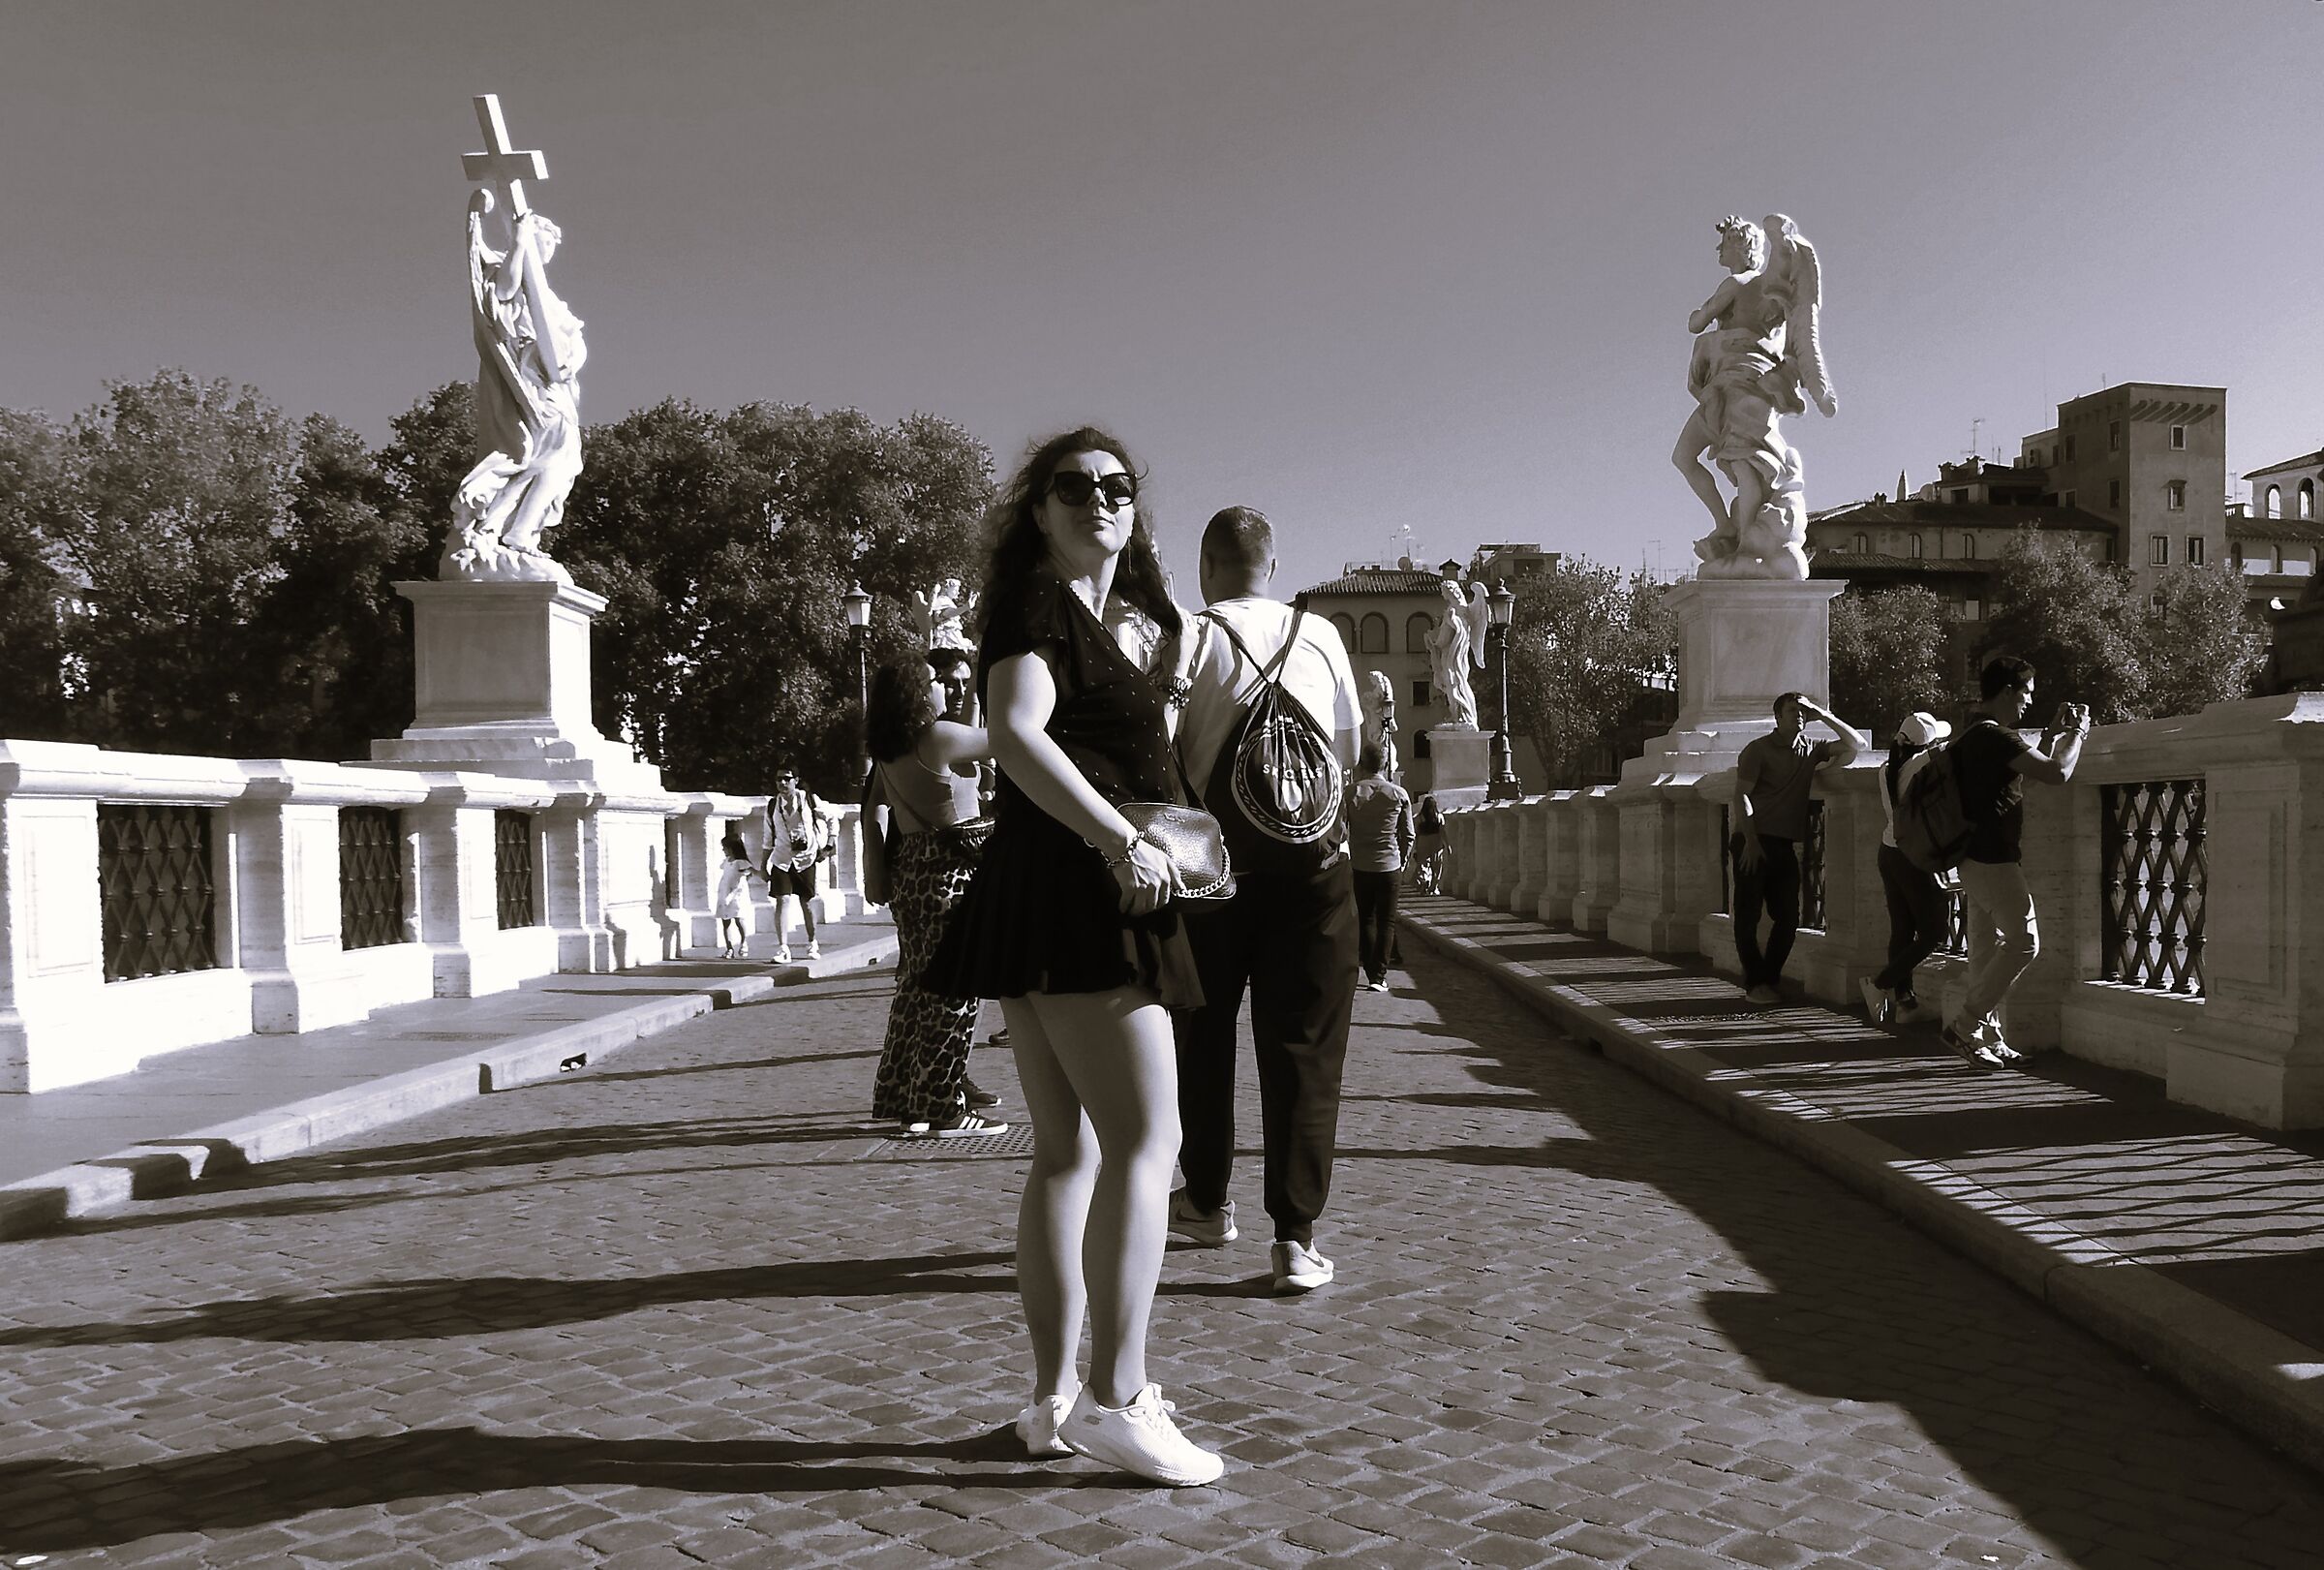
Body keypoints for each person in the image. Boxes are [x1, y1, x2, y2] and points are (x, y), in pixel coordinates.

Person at [924, 428, 1225, 1488]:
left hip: (1046, 893)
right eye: (1074, 486)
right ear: (1038, 510)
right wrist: (1123, 839)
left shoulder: (1104, 619)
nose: (1098, 499)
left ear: (1134, 510)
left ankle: (1050, 1398)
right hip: (1089, 894)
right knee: (1152, 1138)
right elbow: (1013, 730)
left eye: (1117, 487)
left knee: (1066, 1152)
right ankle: (1118, 1396)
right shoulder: (1042, 603)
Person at [1168, 506, 1364, 1296]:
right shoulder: (1319, 635)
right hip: (1313, 872)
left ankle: (1208, 1201)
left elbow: (1167, 751)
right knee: (1306, 1049)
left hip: (1214, 869)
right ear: (1273, 569)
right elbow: (1350, 749)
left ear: (1207, 568)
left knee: (1202, 1037)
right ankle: (1295, 1238)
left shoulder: (1188, 633)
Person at [865, 662, 1006, 1137]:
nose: (944, 687)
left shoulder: (890, 749)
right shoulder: (939, 738)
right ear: (917, 694)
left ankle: (907, 1096)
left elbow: (874, 814)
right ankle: (944, 1106)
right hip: (953, 871)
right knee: (956, 994)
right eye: (935, 682)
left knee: (916, 990)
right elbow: (1011, 737)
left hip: (912, 871)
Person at [1943, 656, 2092, 1068]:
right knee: (2025, 942)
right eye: (2026, 693)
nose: (2028, 701)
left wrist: (2048, 736)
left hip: (1970, 855)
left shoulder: (1974, 734)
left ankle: (1986, 1034)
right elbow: (2058, 773)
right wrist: (2077, 733)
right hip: (1993, 857)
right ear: (2008, 690)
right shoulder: (1995, 738)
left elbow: (2013, 778)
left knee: (1985, 949)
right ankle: (1967, 1023)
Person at [1732, 692, 1868, 1004]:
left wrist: (1822, 713)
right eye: (1793, 710)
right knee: (1747, 916)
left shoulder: (1810, 750)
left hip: (1783, 845)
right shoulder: (1758, 750)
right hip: (1753, 840)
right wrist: (1750, 842)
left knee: (1789, 917)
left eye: (1803, 711)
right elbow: (1741, 795)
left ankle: (1767, 978)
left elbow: (1856, 745)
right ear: (1777, 717)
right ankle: (1756, 984)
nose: (1800, 715)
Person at [1860, 712, 1951, 1028]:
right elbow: (1957, 748)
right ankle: (1881, 984)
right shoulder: (1921, 763)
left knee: (1902, 930)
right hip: (1914, 858)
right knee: (1934, 932)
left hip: (1889, 852)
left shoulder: (1886, 769)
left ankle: (1905, 1002)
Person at [1346, 745, 1415, 991]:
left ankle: (1370, 970)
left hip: (1361, 865)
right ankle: (1379, 976)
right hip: (1389, 865)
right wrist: (1403, 861)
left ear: (1361, 765)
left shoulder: (1351, 792)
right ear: (1385, 765)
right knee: (1387, 922)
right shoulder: (1399, 794)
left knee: (1365, 919)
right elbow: (1408, 834)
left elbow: (1342, 831)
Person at [765, 766, 834, 963]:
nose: (782, 783)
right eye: (779, 779)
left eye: (787, 779)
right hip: (781, 859)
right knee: (782, 900)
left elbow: (832, 819)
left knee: (807, 903)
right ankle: (783, 948)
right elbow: (767, 838)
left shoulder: (809, 800)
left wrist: (829, 845)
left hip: (806, 859)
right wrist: (763, 866)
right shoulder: (772, 805)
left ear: (796, 779)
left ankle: (812, 942)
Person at [712, 828, 759, 960]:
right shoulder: (727, 862)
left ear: (732, 848)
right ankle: (729, 948)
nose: (723, 850)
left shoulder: (740, 862)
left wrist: (744, 880)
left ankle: (744, 942)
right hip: (724, 893)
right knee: (725, 921)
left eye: (725, 848)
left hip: (736, 894)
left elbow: (752, 871)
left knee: (738, 919)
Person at [1411, 792, 1447, 893]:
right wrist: (1447, 845)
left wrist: (1416, 846)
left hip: (1423, 840)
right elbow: (1442, 831)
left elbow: (1416, 832)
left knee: (1423, 863)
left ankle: (1424, 879)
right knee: (1437, 865)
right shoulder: (1439, 816)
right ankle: (1434, 886)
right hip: (1436, 841)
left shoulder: (1419, 817)